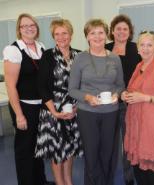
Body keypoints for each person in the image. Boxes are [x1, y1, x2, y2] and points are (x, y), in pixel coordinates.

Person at [69, 18, 125, 185]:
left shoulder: (115, 58)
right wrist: (88, 97)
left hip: (110, 113)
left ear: (106, 35)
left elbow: (121, 85)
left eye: (101, 32)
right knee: (92, 156)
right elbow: (72, 89)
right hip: (88, 113)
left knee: (108, 154)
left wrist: (117, 95)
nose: (97, 36)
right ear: (87, 36)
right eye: (93, 33)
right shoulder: (80, 58)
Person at [3, 13, 54, 185]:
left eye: (32, 25)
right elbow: (10, 86)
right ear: (19, 29)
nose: (29, 28)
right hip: (24, 106)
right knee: (25, 149)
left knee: (38, 146)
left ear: (37, 28)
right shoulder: (13, 50)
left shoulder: (40, 47)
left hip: (41, 106)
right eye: (24, 26)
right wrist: (19, 115)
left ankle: (40, 181)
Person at [122, 30, 154, 185]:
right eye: (142, 45)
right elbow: (132, 90)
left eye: (149, 45)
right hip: (136, 125)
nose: (145, 49)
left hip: (152, 127)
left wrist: (145, 98)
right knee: (140, 170)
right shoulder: (138, 66)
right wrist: (125, 95)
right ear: (138, 48)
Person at [35, 19, 83, 185]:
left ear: (71, 35)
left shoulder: (79, 55)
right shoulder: (47, 56)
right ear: (53, 36)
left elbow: (84, 84)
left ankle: (68, 180)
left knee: (69, 149)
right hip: (52, 109)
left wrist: (77, 107)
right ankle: (59, 182)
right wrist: (54, 112)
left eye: (65, 33)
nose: (61, 37)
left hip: (73, 108)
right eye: (57, 34)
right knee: (57, 150)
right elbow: (41, 87)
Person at [105, 14, 141, 185]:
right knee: (109, 144)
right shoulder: (105, 48)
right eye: (118, 28)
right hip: (108, 104)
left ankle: (128, 177)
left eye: (125, 29)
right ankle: (108, 176)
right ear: (112, 31)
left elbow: (144, 74)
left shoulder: (137, 49)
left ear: (130, 31)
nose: (121, 32)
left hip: (130, 103)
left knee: (128, 142)